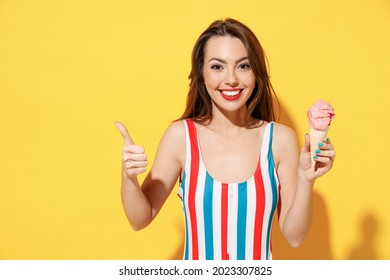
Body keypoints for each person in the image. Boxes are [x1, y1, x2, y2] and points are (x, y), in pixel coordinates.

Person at [115, 18, 335, 260]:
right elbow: (139, 220)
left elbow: (295, 237)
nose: (231, 79)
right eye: (217, 67)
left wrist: (305, 179)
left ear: (256, 73)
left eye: (243, 66)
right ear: (201, 73)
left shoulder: (279, 140)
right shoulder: (181, 137)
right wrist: (129, 177)